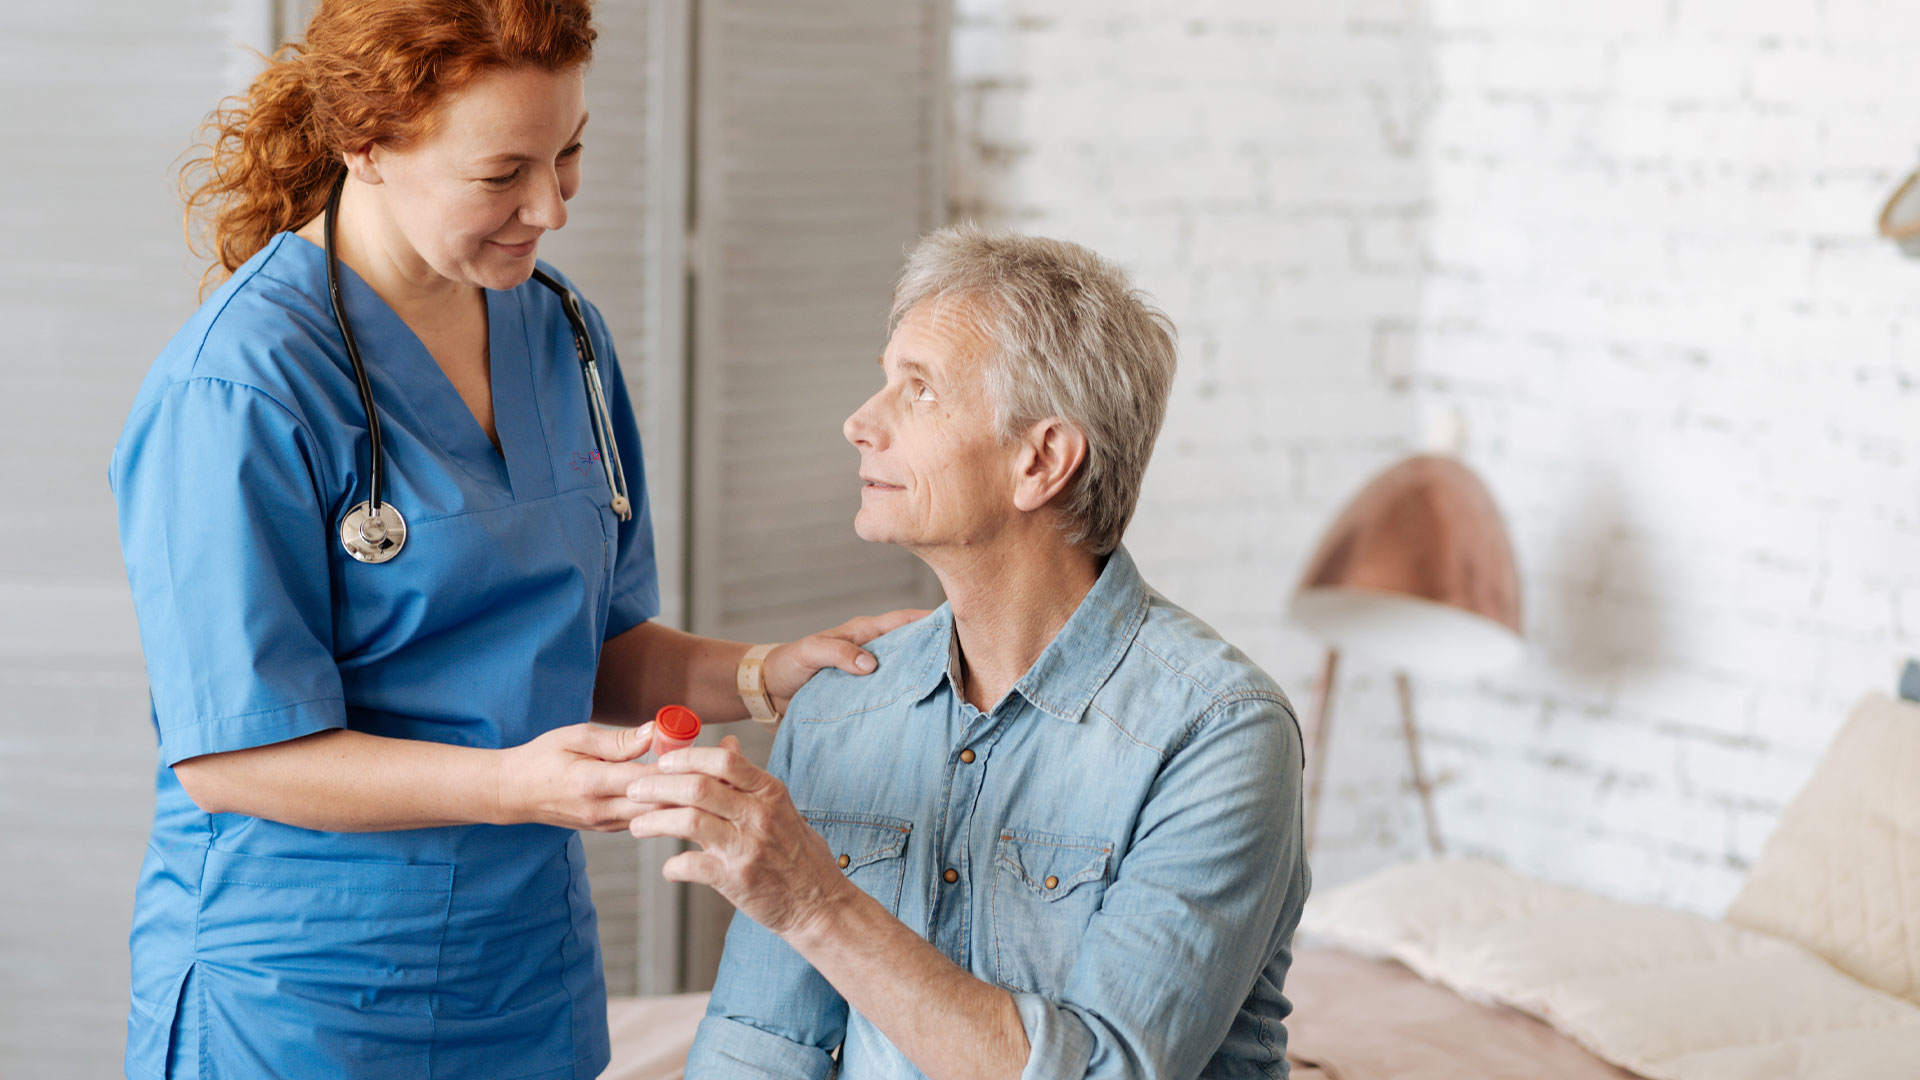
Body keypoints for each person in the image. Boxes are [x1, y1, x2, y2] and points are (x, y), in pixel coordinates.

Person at [108, 2, 915, 1077]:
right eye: (501, 174)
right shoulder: (238, 387)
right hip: (301, 994)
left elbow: (590, 649)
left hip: (526, 976)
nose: (550, 207)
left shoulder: (560, 334)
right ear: (366, 145)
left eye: (569, 153)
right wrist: (513, 787)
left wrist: (773, 674)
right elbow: (233, 754)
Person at [630, 226, 1312, 1079]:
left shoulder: (1221, 734)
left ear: (1041, 461)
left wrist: (815, 901)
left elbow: (1102, 1070)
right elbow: (763, 1045)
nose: (858, 422)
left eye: (916, 390)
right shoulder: (845, 702)